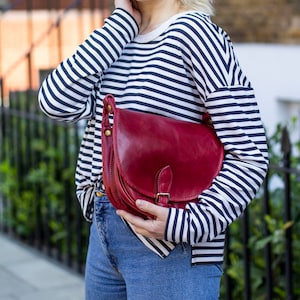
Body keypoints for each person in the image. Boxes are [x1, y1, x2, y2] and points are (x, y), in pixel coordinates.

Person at [38, 0, 269, 299]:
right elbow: (56, 102)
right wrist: (121, 23)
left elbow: (250, 153)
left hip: (172, 247)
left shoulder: (197, 35)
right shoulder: (119, 38)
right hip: (105, 230)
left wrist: (186, 224)